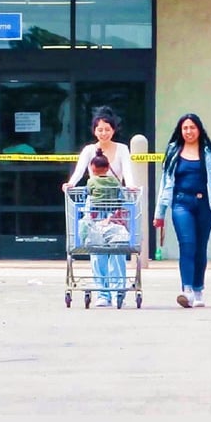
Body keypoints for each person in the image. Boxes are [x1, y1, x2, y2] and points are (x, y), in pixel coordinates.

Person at [63, 106, 135, 307]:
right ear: (94, 130)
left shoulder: (122, 149)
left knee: (118, 246)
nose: (104, 133)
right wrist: (71, 184)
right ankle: (102, 292)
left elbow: (127, 173)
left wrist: (131, 187)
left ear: (114, 129)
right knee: (96, 248)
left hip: (115, 205)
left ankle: (117, 290)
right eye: (100, 129)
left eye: (107, 129)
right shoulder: (88, 150)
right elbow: (78, 173)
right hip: (94, 205)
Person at [152, 113, 211, 308]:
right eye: (185, 128)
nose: (189, 131)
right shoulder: (173, 151)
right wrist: (159, 213)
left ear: (199, 129)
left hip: (205, 205)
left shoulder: (210, 151)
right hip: (181, 203)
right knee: (187, 244)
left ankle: (198, 288)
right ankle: (187, 291)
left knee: (200, 247)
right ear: (180, 130)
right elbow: (165, 183)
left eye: (192, 127)